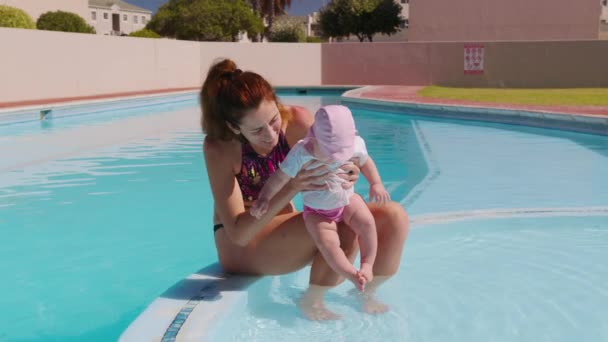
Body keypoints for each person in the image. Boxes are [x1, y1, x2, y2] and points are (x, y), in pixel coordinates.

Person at [200, 58, 409, 320]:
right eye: (257, 130)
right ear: (234, 127)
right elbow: (239, 233)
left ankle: (366, 291)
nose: (270, 135)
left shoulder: (298, 122)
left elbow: (337, 157)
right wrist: (292, 188)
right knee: (341, 225)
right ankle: (312, 302)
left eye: (273, 120)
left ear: (278, 105)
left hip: (288, 228)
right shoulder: (220, 148)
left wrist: (350, 170)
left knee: (393, 216)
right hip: (243, 243)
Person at [250, 105, 390, 292]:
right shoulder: (302, 151)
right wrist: (265, 197)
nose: (336, 157)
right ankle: (351, 274)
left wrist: (376, 183)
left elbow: (366, 161)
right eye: (331, 152)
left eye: (342, 151)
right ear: (313, 138)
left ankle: (367, 265)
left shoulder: (355, 143)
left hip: (348, 200)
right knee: (329, 245)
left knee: (367, 223)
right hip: (318, 212)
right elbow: (280, 177)